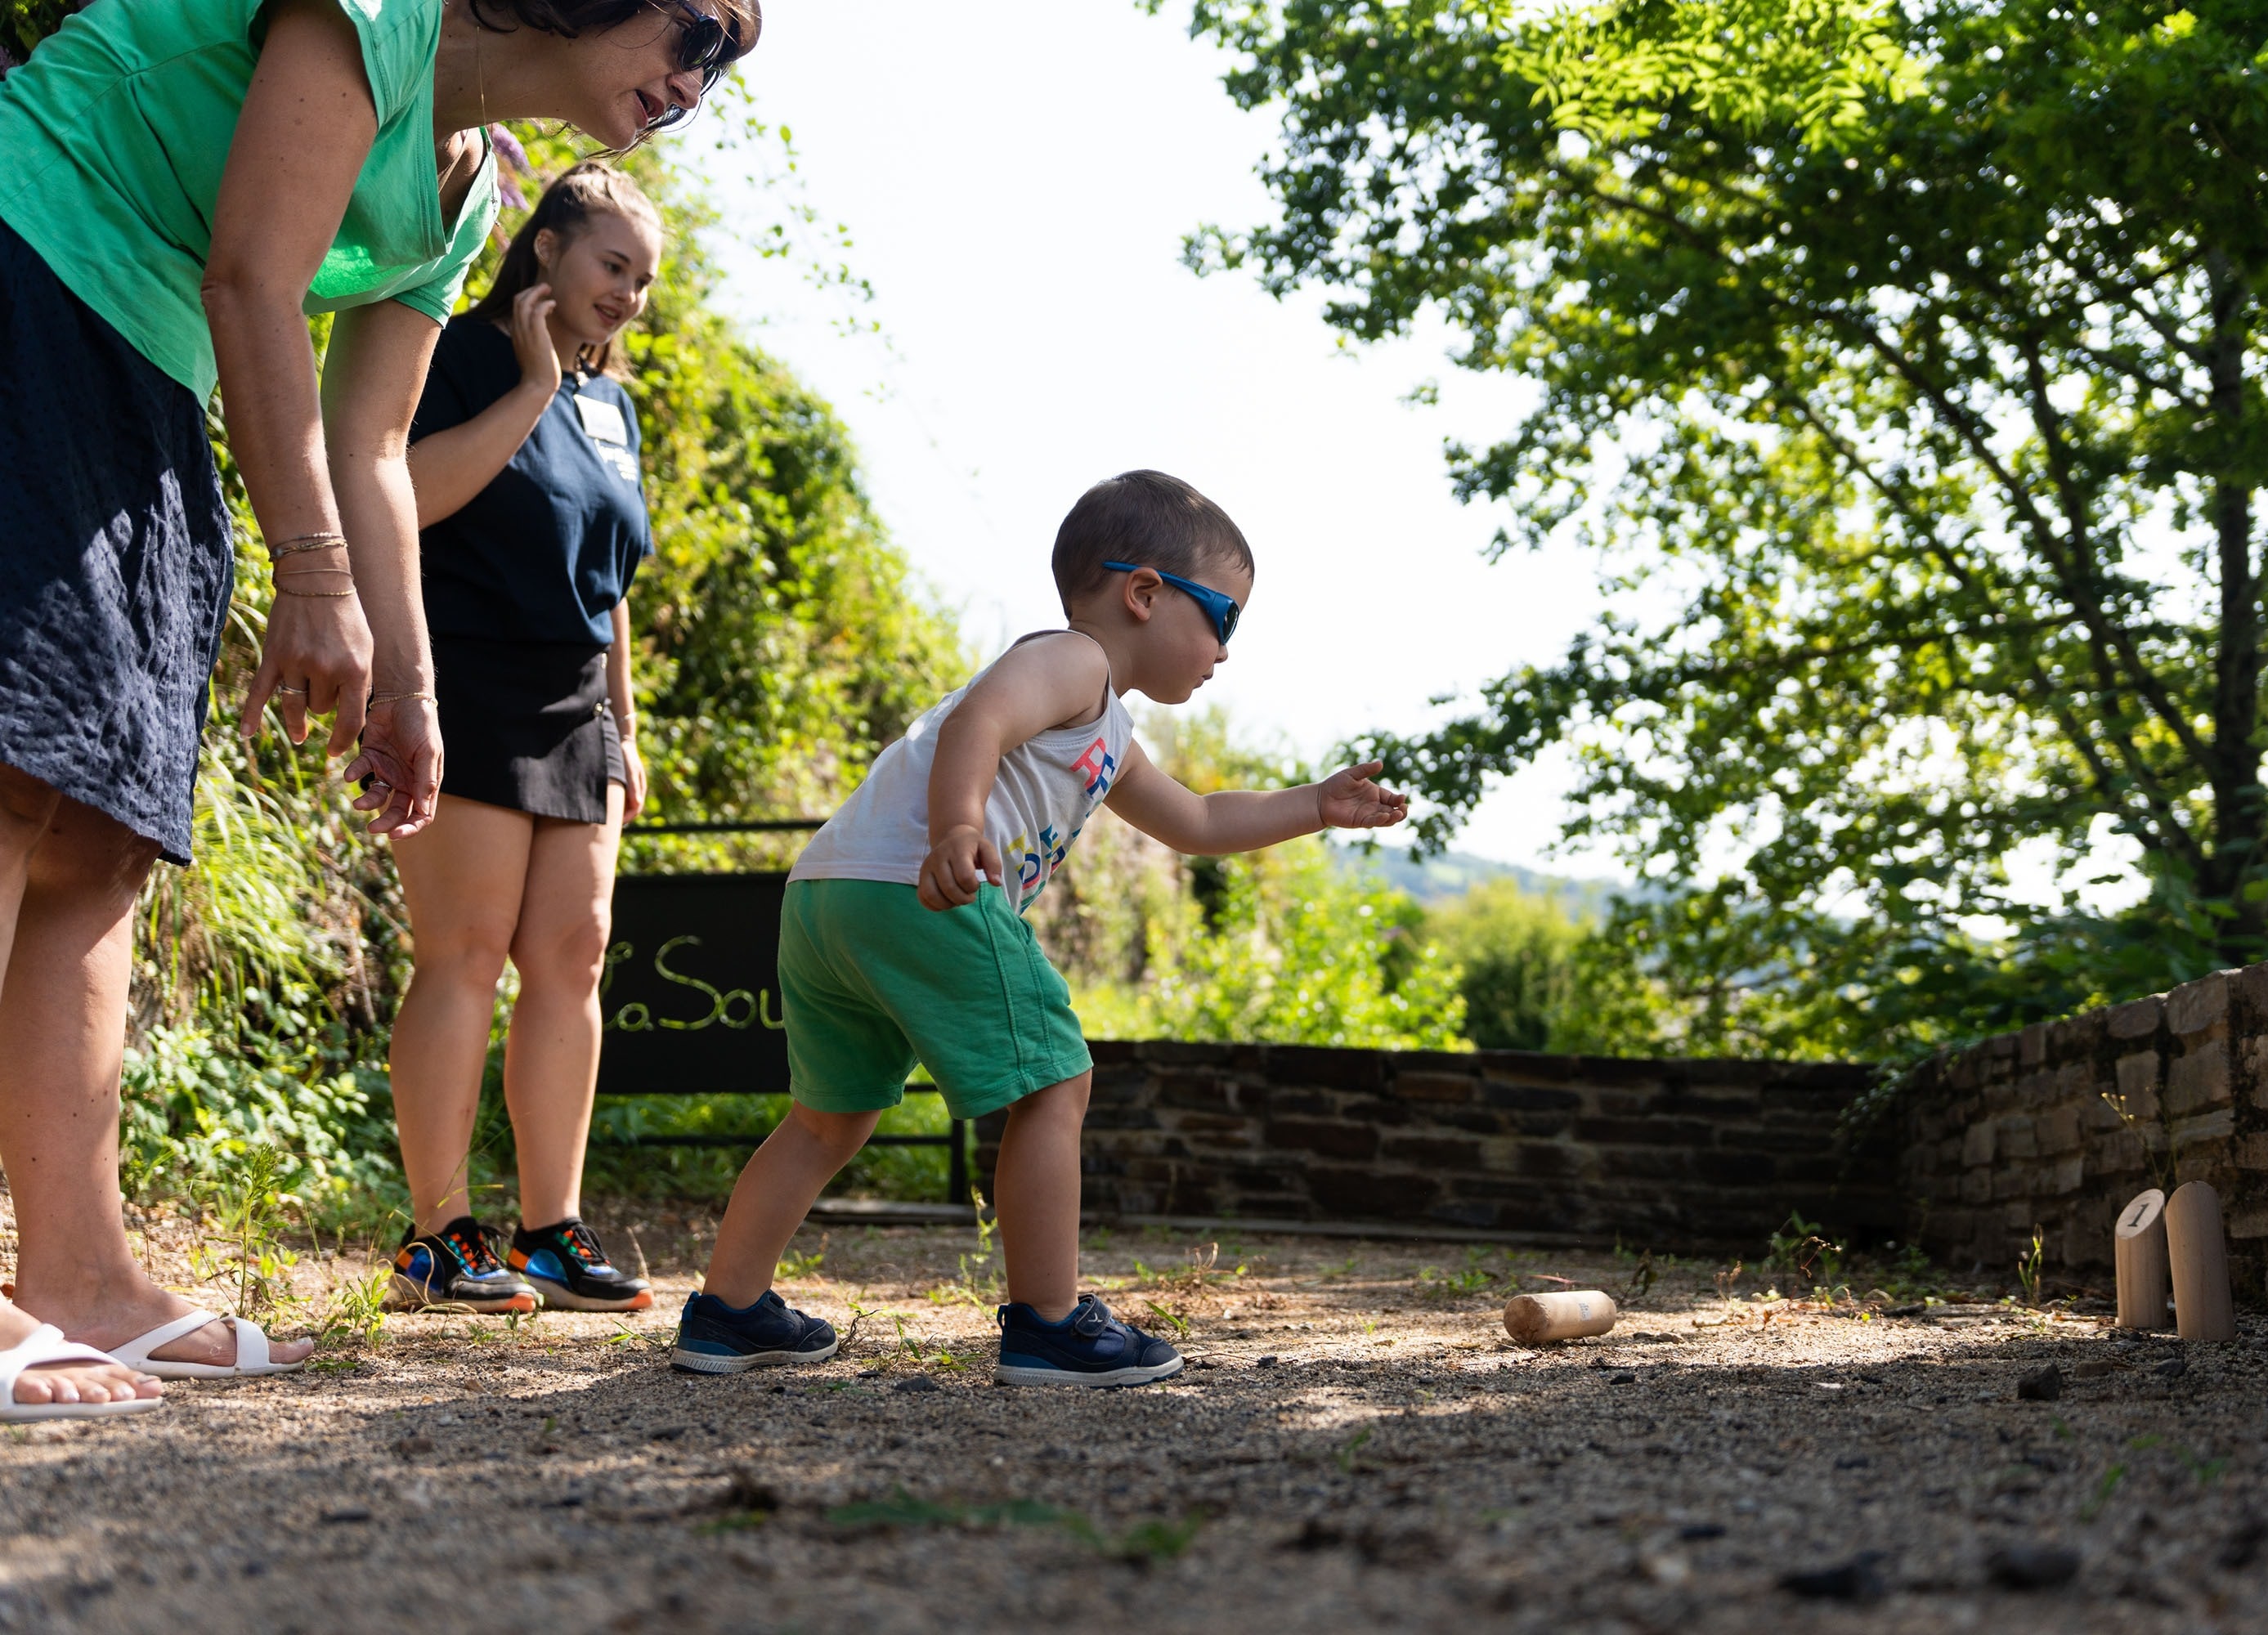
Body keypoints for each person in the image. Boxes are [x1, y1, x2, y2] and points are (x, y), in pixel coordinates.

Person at [0, 0, 754, 1414]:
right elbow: (253, 279)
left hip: (152, 373)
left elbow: (370, 448)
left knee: (97, 831)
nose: (702, 80)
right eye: (701, 31)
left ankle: (79, 1272)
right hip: (32, 266)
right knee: (7, 784)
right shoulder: (386, 11)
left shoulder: (468, 189)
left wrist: (406, 681)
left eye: (729, 63)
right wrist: (309, 571)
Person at [671, 471, 1410, 1383]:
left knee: (828, 1120)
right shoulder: (1075, 661)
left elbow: (1200, 821)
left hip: (830, 894)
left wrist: (1313, 804)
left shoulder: (1107, 729)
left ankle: (728, 1309)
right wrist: (957, 830)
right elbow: (979, 719)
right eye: (1225, 618)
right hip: (925, 886)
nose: (1225, 649)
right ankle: (1049, 1322)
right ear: (1144, 592)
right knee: (1057, 1083)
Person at [386, 164, 661, 1315]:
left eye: (645, 281)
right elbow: (405, 492)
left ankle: (551, 1232)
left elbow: (614, 585)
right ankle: (437, 1239)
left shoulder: (619, 405)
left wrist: (627, 725)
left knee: (573, 959)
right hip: (466, 678)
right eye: (614, 266)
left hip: (576, 707)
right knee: (464, 950)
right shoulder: (452, 352)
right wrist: (534, 385)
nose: (630, 296)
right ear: (546, 248)